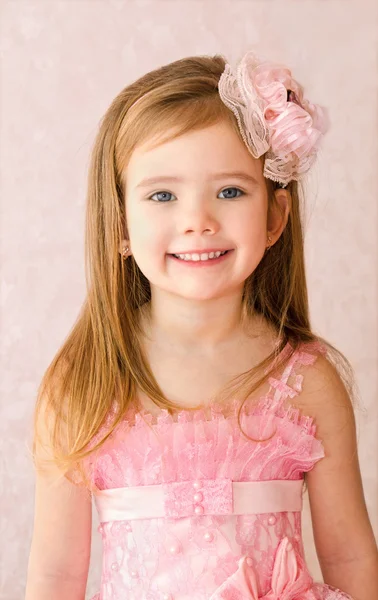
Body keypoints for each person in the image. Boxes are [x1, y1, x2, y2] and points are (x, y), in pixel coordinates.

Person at [25, 50, 378, 600]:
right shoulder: (84, 383)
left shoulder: (309, 383)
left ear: (275, 217)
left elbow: (351, 556)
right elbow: (55, 577)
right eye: (163, 195)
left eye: (231, 191)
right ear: (120, 223)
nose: (198, 220)